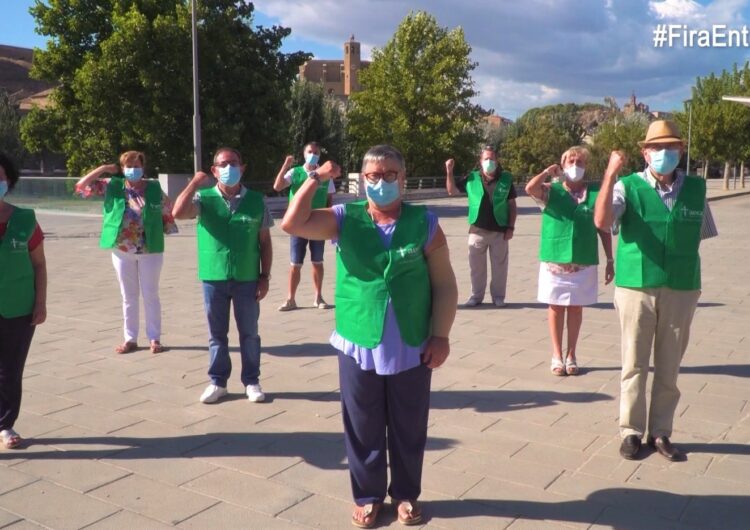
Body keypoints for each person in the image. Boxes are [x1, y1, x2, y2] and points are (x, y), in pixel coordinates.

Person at [281, 145, 458, 528]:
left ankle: (407, 495)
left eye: (390, 174)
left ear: (404, 179)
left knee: (409, 423)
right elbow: (292, 223)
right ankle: (368, 495)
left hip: (411, 342)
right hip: (358, 338)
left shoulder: (425, 222)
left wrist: (440, 336)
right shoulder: (344, 218)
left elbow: (445, 284)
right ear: (362, 181)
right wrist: (315, 177)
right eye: (373, 176)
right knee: (363, 424)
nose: (381, 182)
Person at [594, 120, 718, 462]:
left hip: (681, 286)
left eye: (672, 147)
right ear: (645, 152)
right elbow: (602, 222)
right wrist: (609, 174)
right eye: (657, 148)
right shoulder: (626, 186)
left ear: (681, 151)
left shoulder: (695, 189)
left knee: (669, 365)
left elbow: (702, 232)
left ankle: (661, 431)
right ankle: (631, 431)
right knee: (634, 362)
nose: (665, 153)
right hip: (637, 285)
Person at [172, 147, 273, 404]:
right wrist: (195, 182)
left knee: (249, 333)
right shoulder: (203, 199)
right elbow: (178, 213)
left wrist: (265, 276)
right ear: (214, 170)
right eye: (223, 164)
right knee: (217, 334)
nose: (229, 168)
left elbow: (265, 242)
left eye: (234, 163)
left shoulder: (256, 201)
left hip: (247, 276)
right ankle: (218, 382)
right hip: (214, 276)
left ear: (242, 167)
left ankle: (252, 381)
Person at [76, 151, 177, 354]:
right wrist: (104, 168)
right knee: (128, 296)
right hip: (122, 249)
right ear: (122, 169)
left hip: (150, 249)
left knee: (151, 294)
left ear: (143, 167)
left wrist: (168, 227)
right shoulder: (112, 186)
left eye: (136, 165)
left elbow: (168, 209)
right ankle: (130, 338)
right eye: (128, 166)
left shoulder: (154, 188)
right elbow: (81, 187)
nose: (133, 169)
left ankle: (154, 338)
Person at [526, 146, 614, 376]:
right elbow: (530, 188)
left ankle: (572, 354)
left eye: (580, 162)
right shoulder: (551, 190)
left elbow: (603, 227)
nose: (576, 165)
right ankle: (556, 354)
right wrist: (547, 171)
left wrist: (610, 259)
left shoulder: (595, 193)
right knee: (555, 307)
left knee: (575, 309)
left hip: (582, 260)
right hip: (555, 260)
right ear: (563, 165)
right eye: (571, 161)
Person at [0, 152, 47, 449]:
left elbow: (39, 265)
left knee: (10, 369)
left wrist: (40, 303)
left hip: (18, 307)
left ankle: (5, 424)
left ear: (9, 181)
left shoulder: (24, 219)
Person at [445, 146, 517, 307]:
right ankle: (476, 296)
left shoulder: (506, 179)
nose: (489, 162)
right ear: (480, 161)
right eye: (486, 159)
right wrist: (449, 171)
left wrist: (511, 227)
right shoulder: (472, 178)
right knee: (476, 267)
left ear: (497, 161)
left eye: (492, 159)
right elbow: (452, 191)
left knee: (500, 267)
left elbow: (512, 205)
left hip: (500, 230)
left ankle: (498, 297)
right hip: (477, 230)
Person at [273, 141, 335, 311]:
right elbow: (277, 186)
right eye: (310, 151)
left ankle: (318, 297)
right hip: (298, 224)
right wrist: (285, 165)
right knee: (295, 263)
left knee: (317, 261)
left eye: (316, 152)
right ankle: (290, 299)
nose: (313, 154)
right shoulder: (296, 172)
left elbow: (330, 201)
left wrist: (331, 225)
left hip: (318, 224)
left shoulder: (325, 175)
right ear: (304, 153)